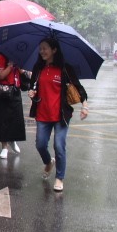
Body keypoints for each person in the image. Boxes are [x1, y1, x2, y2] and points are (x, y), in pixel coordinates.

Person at [28, 37, 89, 192]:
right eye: (40, 48)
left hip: (61, 115)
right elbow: (33, 86)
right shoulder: (38, 67)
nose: (42, 51)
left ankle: (59, 177)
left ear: (54, 50)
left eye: (45, 48)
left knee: (59, 145)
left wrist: (85, 106)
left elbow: (78, 88)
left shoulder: (65, 68)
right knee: (40, 144)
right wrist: (32, 92)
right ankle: (49, 162)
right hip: (42, 114)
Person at [0, 49, 26, 159]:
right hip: (3, 93)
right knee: (3, 120)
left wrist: (21, 68)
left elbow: (24, 74)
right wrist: (10, 66)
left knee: (16, 119)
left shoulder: (19, 57)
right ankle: (4, 147)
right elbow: (0, 75)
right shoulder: (0, 57)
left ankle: (12, 140)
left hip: (15, 91)